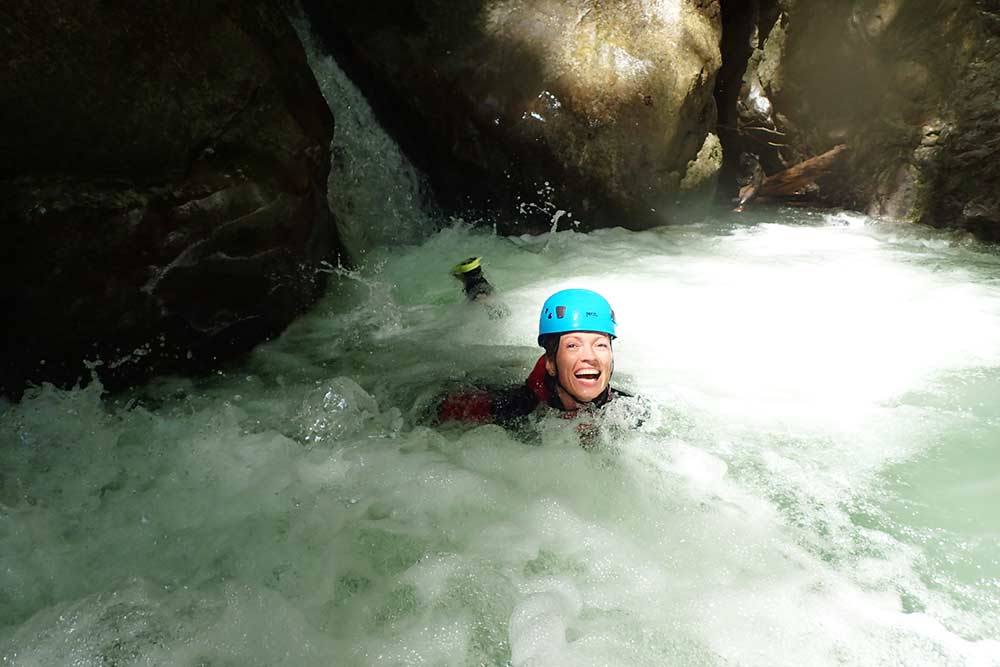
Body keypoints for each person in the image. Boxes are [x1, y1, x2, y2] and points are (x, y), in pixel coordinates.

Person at [438, 288, 632, 426]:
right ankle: (478, 289)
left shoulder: (630, 412)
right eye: (573, 345)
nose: (590, 356)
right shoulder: (522, 408)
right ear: (550, 362)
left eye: (600, 345)